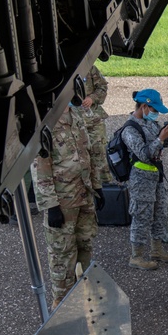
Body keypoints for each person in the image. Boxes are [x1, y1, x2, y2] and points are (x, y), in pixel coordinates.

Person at [31, 93, 106, 309]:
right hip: (62, 202)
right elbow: (40, 167)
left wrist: (97, 185)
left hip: (84, 195)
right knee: (62, 254)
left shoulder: (76, 115)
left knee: (85, 243)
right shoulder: (46, 124)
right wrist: (51, 205)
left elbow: (88, 153)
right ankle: (62, 306)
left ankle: (84, 295)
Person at [122, 89, 168, 270]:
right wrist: (160, 139)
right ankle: (136, 256)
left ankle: (157, 249)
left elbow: (163, 143)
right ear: (144, 106)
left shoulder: (150, 123)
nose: (156, 114)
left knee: (160, 212)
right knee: (141, 216)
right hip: (141, 179)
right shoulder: (130, 129)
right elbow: (145, 154)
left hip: (156, 176)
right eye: (154, 109)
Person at [81, 64, 111, 181]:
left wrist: (92, 98)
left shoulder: (89, 68)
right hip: (69, 123)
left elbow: (102, 87)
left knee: (99, 154)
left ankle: (105, 187)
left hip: (93, 121)